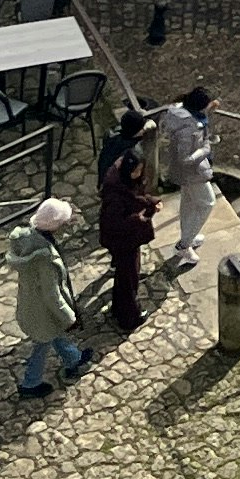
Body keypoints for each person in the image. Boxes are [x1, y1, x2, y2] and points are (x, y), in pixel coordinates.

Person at [9, 196, 89, 396]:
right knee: (43, 343)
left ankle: (73, 359)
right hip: (42, 311)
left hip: (32, 304)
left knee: (54, 334)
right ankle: (30, 384)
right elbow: (52, 294)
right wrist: (69, 317)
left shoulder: (27, 238)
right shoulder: (44, 259)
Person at [100, 122, 157, 332]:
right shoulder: (115, 194)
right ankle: (128, 317)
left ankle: (119, 309)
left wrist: (150, 201)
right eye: (136, 171)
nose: (138, 174)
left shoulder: (124, 185)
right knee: (128, 279)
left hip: (128, 240)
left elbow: (136, 197)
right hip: (123, 241)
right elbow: (114, 223)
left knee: (125, 277)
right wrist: (139, 219)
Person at [157, 82, 215, 266]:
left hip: (181, 170)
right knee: (207, 203)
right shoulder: (189, 127)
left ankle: (188, 237)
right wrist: (206, 149)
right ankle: (183, 244)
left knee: (188, 204)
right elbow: (186, 157)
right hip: (192, 171)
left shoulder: (178, 113)